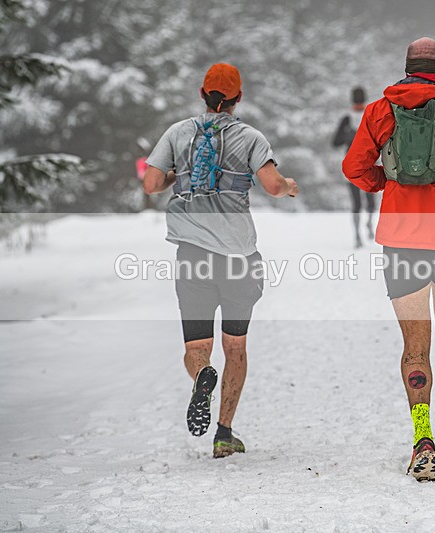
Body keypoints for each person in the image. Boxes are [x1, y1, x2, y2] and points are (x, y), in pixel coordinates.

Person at [342, 38, 435, 481]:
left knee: (414, 343)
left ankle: (422, 440)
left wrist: (384, 186)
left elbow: (354, 167)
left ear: (406, 66)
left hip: (400, 237)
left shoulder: (377, 111)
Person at [142, 63, 299, 458]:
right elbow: (274, 186)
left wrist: (177, 175)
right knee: (236, 347)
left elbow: (151, 184)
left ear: (202, 94)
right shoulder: (250, 136)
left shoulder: (178, 133)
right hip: (238, 257)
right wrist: (289, 187)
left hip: (192, 255)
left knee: (197, 346)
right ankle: (224, 433)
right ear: (238, 98)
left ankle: (201, 375)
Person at [332, 86, 377, 248]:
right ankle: (367, 227)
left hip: (352, 164)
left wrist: (348, 137)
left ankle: (359, 234)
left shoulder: (347, 118)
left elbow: (335, 142)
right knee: (369, 200)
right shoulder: (371, 114)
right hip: (369, 163)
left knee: (357, 202)